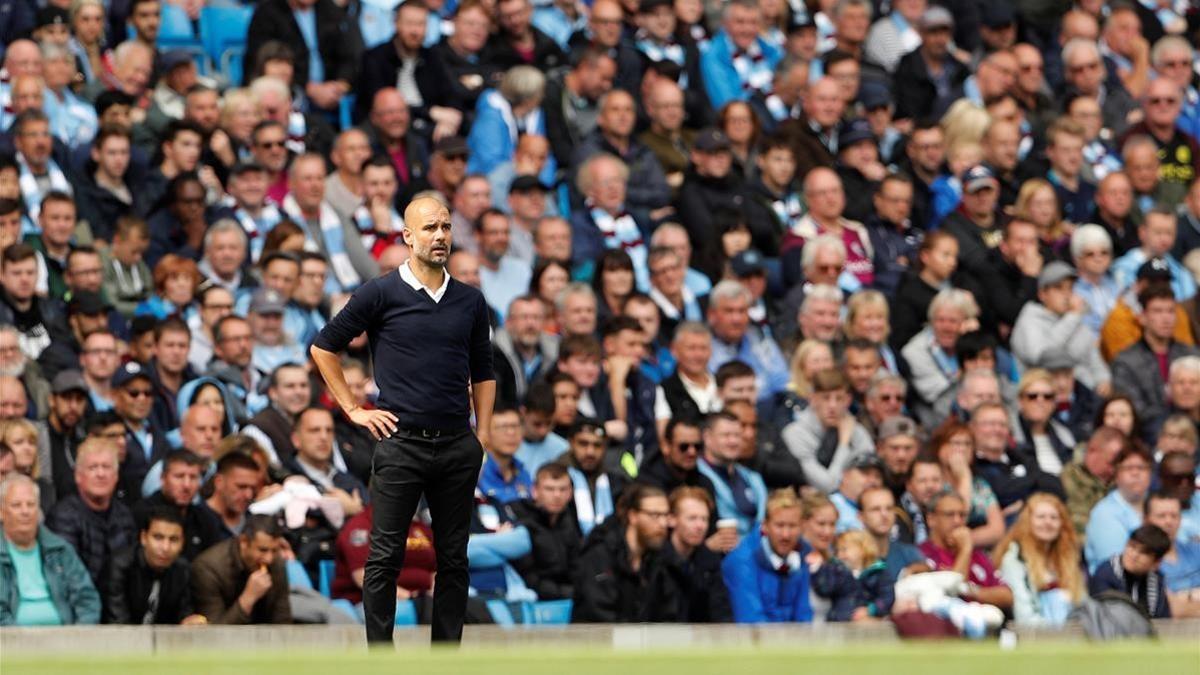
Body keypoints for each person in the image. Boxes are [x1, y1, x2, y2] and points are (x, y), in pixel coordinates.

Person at [310, 195, 495, 645]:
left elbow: (483, 371)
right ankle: (380, 658)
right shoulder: (381, 292)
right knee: (384, 556)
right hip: (402, 441)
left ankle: (445, 659)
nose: (440, 236)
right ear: (408, 236)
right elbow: (323, 346)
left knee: (454, 558)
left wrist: (483, 436)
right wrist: (354, 408)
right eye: (429, 228)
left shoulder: (470, 300)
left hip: (456, 443)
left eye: (446, 227)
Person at [571, 484, 684, 622]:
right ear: (633, 516)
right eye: (655, 515)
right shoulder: (600, 554)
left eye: (666, 515)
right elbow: (598, 615)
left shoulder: (658, 560)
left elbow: (668, 612)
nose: (662, 523)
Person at [0, 474, 100, 625]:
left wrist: (79, 637)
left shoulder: (60, 549)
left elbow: (86, 598)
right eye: (16, 505)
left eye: (31, 504)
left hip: (65, 641)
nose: (25, 511)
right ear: (1, 512)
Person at [45, 438, 137, 590]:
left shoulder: (125, 515)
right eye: (93, 467)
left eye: (106, 467)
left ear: (116, 476)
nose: (100, 474)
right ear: (78, 476)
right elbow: (68, 575)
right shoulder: (62, 515)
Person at [992, 493, 1085, 626]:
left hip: (1070, 633)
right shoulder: (1015, 558)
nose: (1048, 522)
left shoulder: (1067, 556)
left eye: (1054, 517)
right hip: (1033, 636)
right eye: (1041, 517)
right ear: (1027, 522)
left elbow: (1081, 602)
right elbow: (1024, 615)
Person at [723, 487, 813, 623]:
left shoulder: (801, 554)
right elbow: (751, 621)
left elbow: (804, 615)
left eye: (792, 526)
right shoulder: (741, 561)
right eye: (779, 525)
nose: (786, 535)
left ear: (802, 527)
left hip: (790, 640)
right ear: (765, 525)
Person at [104, 506, 206, 624]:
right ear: (144, 538)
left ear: (182, 543)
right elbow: (118, 623)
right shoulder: (120, 566)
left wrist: (189, 622)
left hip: (166, 640)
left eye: (173, 539)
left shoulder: (182, 570)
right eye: (158, 537)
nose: (165, 547)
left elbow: (184, 614)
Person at [781, 369, 874, 494]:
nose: (832, 406)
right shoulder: (794, 433)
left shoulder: (857, 431)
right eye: (826, 398)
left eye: (839, 398)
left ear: (848, 401)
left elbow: (871, 481)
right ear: (812, 399)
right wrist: (844, 443)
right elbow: (827, 486)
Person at [918, 491, 1013, 612]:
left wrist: (970, 591)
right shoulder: (922, 554)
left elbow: (1007, 596)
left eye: (962, 515)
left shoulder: (978, 556)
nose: (957, 521)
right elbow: (952, 593)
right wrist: (965, 550)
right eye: (949, 514)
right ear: (931, 519)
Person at [189, 513, 292, 624]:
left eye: (274, 550)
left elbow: (283, 621)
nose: (269, 559)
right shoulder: (208, 568)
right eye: (263, 550)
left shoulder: (276, 563)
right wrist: (248, 598)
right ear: (244, 542)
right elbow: (214, 632)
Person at [509, 462, 581, 600]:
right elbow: (529, 578)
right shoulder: (521, 522)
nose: (557, 495)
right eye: (549, 489)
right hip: (534, 599)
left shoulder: (570, 520)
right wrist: (571, 593)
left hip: (568, 596)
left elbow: (578, 567)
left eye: (563, 489)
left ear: (570, 493)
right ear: (535, 491)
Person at [1084, 442, 1153, 571]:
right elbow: (1116, 567)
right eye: (1128, 468)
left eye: (1142, 468)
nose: (1135, 473)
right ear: (1116, 475)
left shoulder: (1158, 505)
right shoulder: (1104, 514)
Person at [697, 411, 767, 537]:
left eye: (737, 435)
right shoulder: (695, 476)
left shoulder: (753, 478)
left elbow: (764, 521)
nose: (733, 441)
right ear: (707, 437)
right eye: (726, 435)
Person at [1088, 524, 1173, 619]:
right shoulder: (1105, 574)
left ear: (1156, 563)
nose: (1134, 555)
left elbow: (1163, 620)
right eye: (1132, 546)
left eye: (1144, 552)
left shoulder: (1157, 580)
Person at [1062, 427, 1127, 539]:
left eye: (1119, 464)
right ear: (1092, 451)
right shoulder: (1068, 478)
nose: (1113, 470)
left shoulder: (1122, 481)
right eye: (1110, 463)